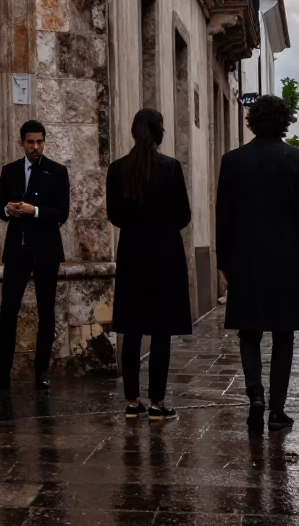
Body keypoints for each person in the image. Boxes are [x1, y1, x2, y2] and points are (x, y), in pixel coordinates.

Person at [216, 96, 299, 431]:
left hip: (245, 259)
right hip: (289, 259)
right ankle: (277, 408)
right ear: (285, 122)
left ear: (251, 121)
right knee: (284, 333)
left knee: (249, 332)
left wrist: (224, 261)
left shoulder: (233, 161)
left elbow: (224, 216)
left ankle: (255, 396)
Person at [106, 108, 190, 421]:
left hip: (132, 252)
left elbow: (114, 214)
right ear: (158, 132)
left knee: (132, 328)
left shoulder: (118, 169)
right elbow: (183, 214)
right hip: (165, 253)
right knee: (161, 331)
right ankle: (157, 403)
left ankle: (131, 401)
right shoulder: (169, 168)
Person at [0, 120, 70, 392]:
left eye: (40, 142)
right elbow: (0, 209)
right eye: (31, 142)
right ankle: (2, 372)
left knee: (46, 313)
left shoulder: (57, 172)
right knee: (8, 311)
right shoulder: (9, 171)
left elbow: (62, 212)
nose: (36, 147)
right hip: (17, 252)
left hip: (46, 251)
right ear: (21, 142)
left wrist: (34, 211)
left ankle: (42, 372)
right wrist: (8, 210)